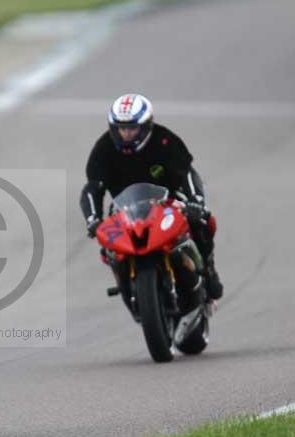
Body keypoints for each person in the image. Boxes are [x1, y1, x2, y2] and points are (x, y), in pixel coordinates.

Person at [79, 93, 223, 300]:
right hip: (124, 210)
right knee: (107, 249)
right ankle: (125, 282)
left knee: (204, 221)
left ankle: (208, 268)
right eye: (121, 128)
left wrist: (196, 202)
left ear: (146, 126)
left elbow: (186, 173)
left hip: (169, 202)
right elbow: (93, 187)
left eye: (132, 128)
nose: (126, 134)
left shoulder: (165, 140)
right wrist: (92, 219)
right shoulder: (104, 148)